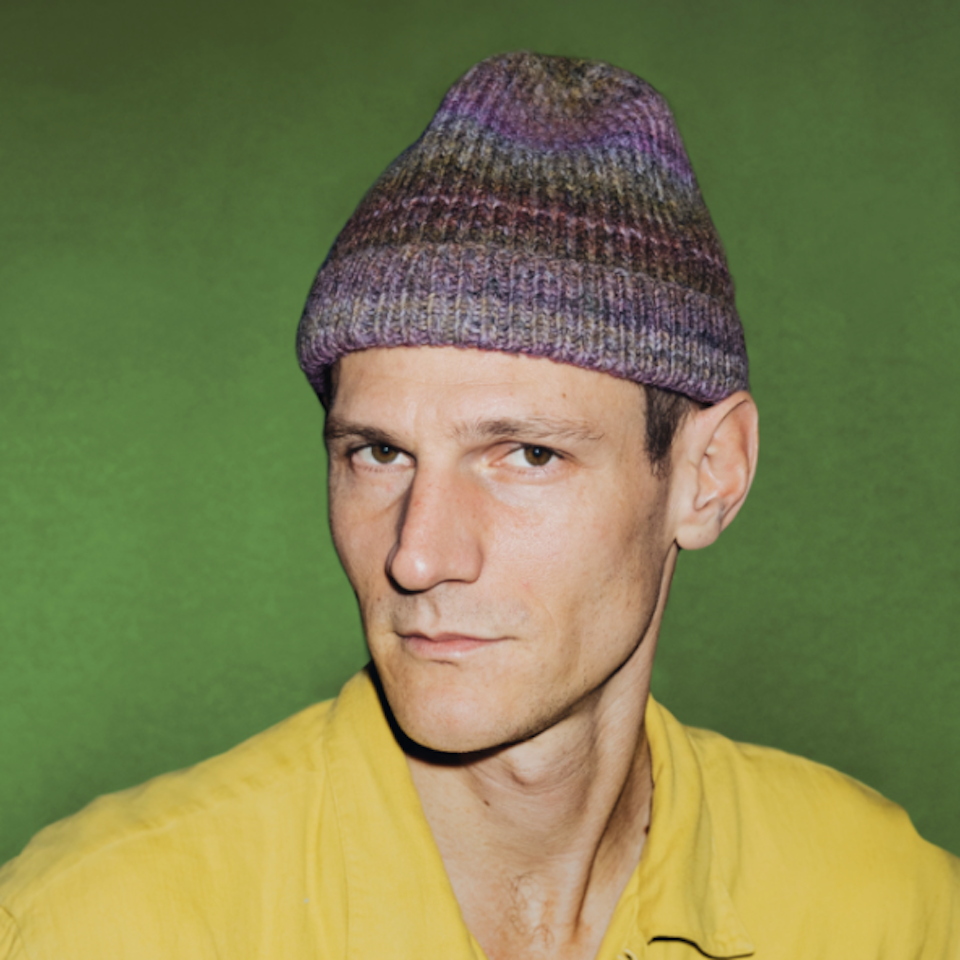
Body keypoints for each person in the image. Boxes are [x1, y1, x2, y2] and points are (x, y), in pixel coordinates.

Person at [1, 51, 957, 960]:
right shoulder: (92, 926)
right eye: (379, 453)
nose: (417, 557)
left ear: (709, 476)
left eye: (528, 455)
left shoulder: (886, 911)